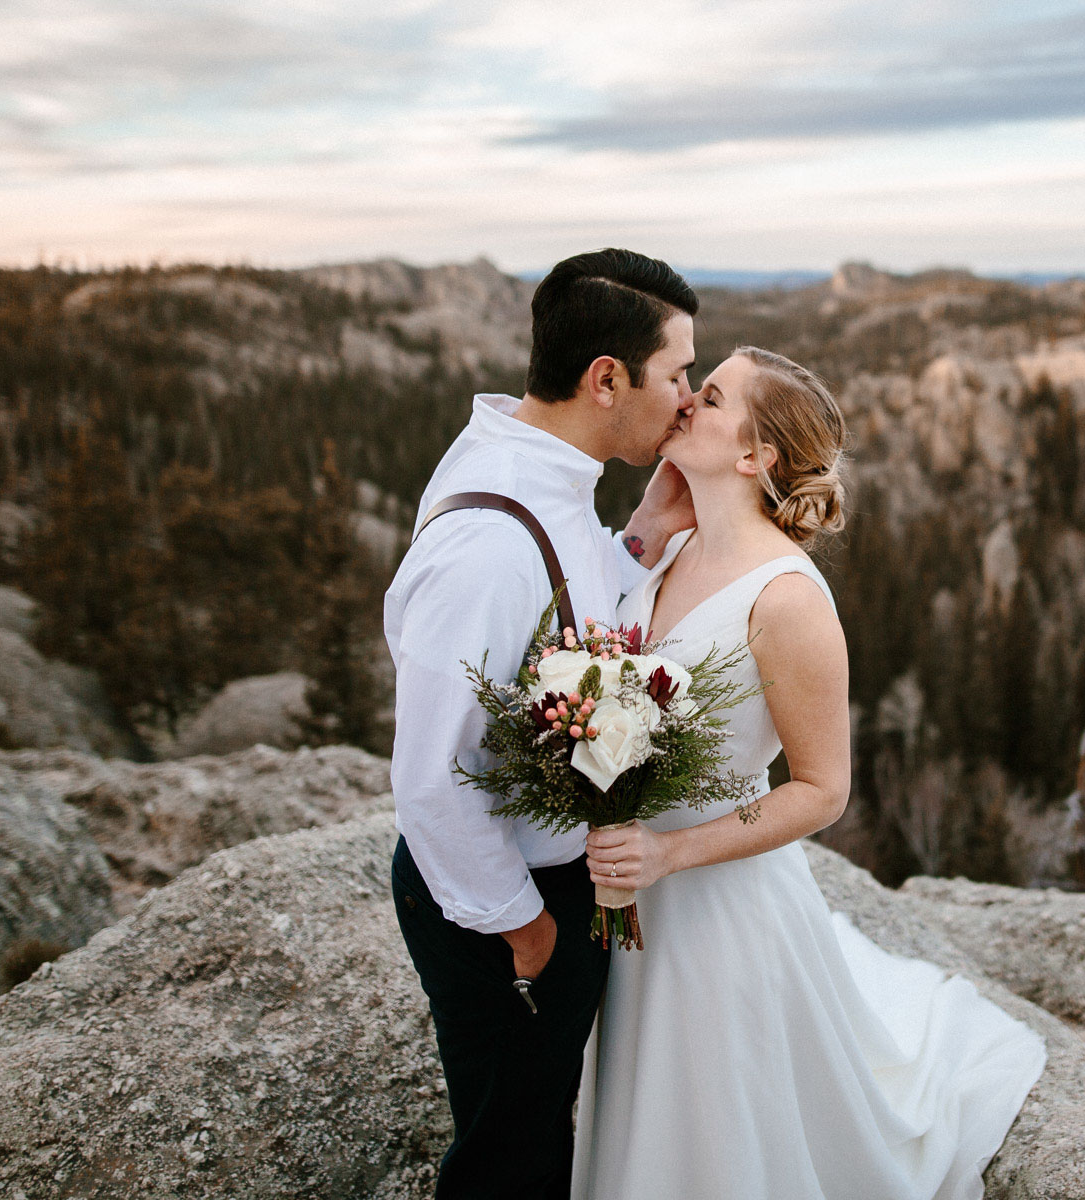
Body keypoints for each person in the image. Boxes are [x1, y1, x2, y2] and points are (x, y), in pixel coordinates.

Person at [573, 347, 1047, 1199]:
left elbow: (823, 791)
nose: (684, 401)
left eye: (710, 397)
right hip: (630, 884)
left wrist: (671, 856)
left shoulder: (787, 599)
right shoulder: (669, 548)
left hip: (715, 912)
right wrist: (646, 527)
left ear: (756, 457)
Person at [385, 248, 700, 1199]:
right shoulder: (484, 545)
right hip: (501, 901)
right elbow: (433, 776)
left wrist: (640, 533)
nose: (688, 400)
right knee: (509, 1155)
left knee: (532, 1127)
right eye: (679, 374)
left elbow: (562, 597)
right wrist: (527, 934)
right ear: (607, 378)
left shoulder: (542, 465)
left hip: (542, 886)